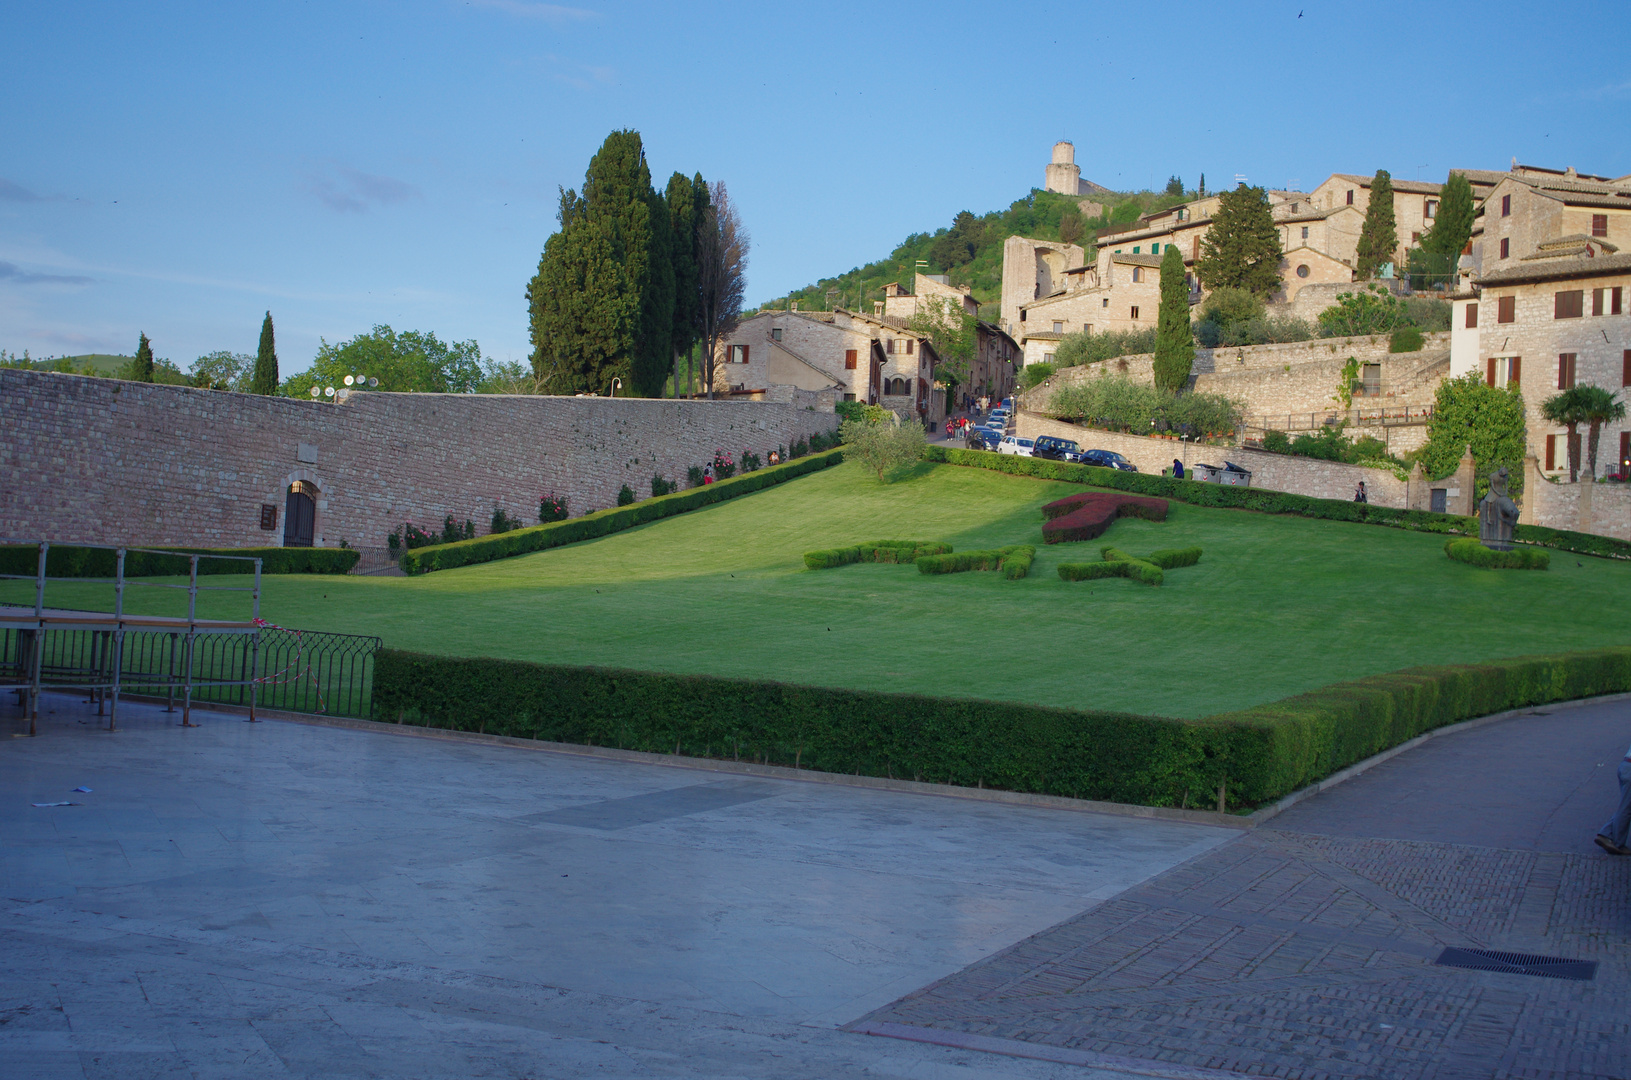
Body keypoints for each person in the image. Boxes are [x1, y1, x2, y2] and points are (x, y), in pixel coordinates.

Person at [1597, 741, 1631, 855]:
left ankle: (1606, 833)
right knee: (1626, 809)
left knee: (1625, 805)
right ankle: (1617, 843)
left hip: (1625, 765)